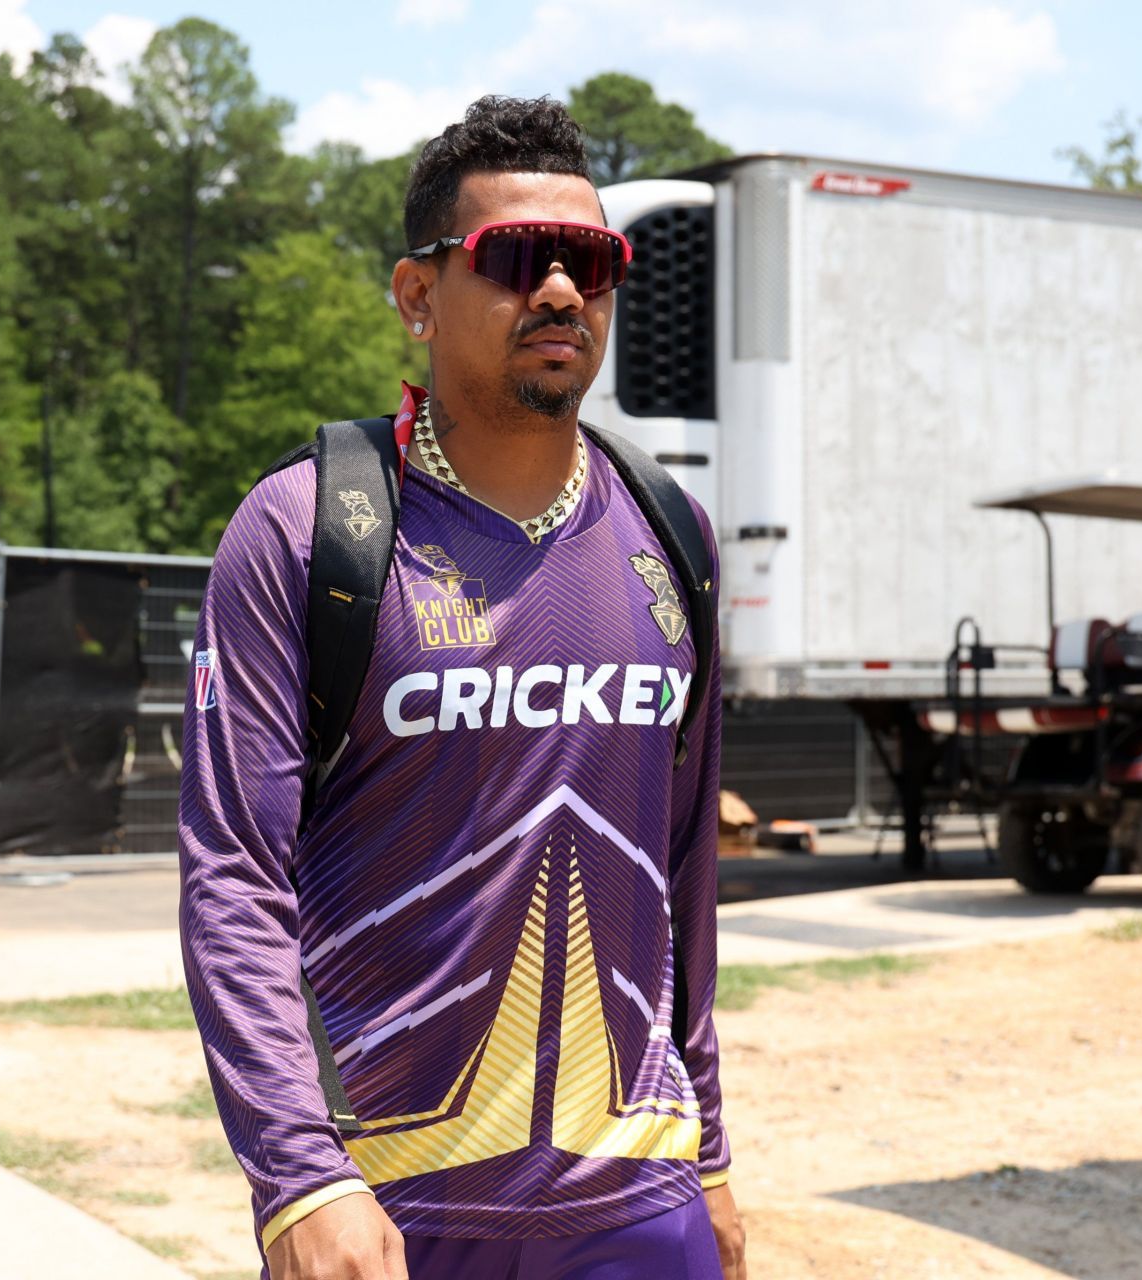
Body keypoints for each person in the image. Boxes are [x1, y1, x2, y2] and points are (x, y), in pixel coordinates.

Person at [180, 96, 743, 1280]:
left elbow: (685, 874)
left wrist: (714, 1155)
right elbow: (235, 875)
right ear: (418, 294)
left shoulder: (671, 534)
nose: (559, 291)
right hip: (385, 1210)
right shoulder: (304, 531)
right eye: (517, 257)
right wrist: (299, 1175)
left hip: (641, 1203)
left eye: (590, 262)